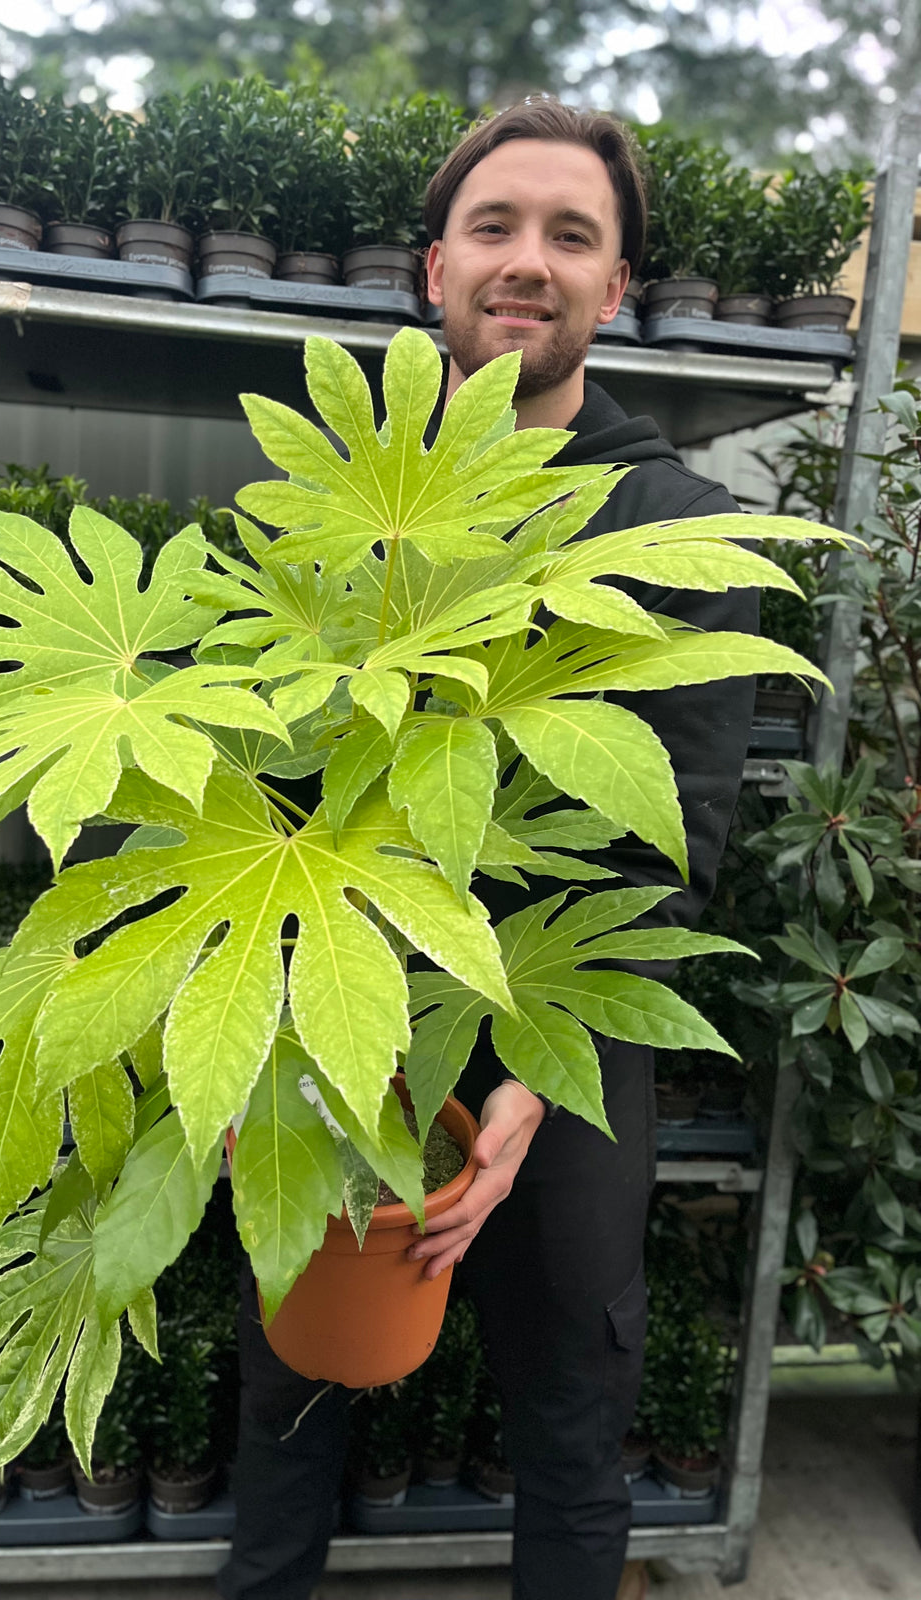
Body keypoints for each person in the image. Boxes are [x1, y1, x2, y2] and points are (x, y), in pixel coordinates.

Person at [216, 97, 756, 1600]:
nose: (529, 261)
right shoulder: (331, 510)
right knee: (291, 1387)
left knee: (574, 1409)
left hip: (564, 1031)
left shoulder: (675, 527)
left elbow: (682, 844)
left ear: (617, 287)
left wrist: (523, 1081)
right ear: (431, 269)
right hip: (346, 1004)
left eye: (571, 235)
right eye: (497, 227)